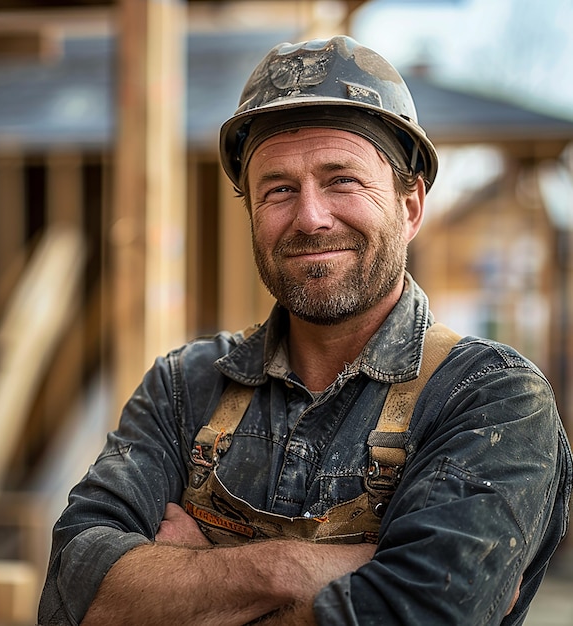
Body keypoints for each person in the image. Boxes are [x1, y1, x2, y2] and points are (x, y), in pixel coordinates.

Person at [38, 35, 572, 625]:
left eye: (342, 179)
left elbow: (421, 613)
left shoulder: (492, 398)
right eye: (279, 190)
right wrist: (292, 573)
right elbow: (73, 592)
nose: (311, 217)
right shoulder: (183, 386)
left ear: (411, 206)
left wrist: (186, 581)